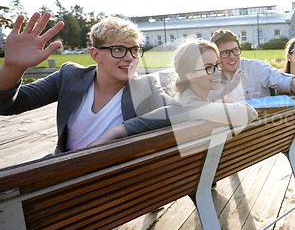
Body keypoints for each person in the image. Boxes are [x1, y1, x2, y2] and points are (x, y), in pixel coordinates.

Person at [0, 12, 185, 154]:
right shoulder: (69, 76)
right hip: (62, 171)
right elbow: (9, 105)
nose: (130, 58)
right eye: (119, 49)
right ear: (95, 55)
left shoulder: (145, 87)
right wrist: (12, 68)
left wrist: (118, 131)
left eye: (135, 50)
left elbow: (180, 111)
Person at [208, 29, 295, 101]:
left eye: (235, 50)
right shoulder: (208, 79)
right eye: (225, 53)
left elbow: (289, 82)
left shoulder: (255, 67)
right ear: (215, 55)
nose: (232, 57)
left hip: (261, 137)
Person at [172, 39, 258, 126]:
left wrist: (229, 92)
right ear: (190, 75)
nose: (217, 72)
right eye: (208, 67)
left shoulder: (192, 97)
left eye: (217, 64)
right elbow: (248, 113)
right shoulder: (190, 106)